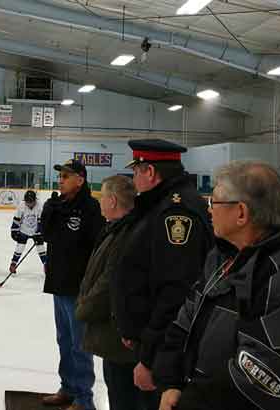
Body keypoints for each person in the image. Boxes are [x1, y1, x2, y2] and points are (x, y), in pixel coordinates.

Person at [155, 161, 280, 410]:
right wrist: (170, 382)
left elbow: (260, 381)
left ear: (241, 213)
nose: (209, 210)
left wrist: (188, 403)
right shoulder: (223, 258)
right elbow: (186, 319)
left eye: (213, 202)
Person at [115, 139, 213, 408]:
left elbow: (176, 291)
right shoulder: (159, 205)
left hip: (162, 352)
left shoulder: (176, 213)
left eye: (136, 171)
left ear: (149, 172)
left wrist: (149, 358)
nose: (134, 179)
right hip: (150, 342)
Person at [75, 176, 143, 410]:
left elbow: (109, 282)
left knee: (122, 395)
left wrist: (84, 307)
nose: (100, 201)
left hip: (119, 338)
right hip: (114, 337)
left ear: (113, 201)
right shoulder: (116, 228)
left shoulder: (126, 233)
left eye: (102, 196)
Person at [41, 159, 104, 410]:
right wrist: (51, 209)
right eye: (60, 176)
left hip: (78, 287)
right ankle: (67, 389)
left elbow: (97, 248)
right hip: (58, 283)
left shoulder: (91, 208)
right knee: (64, 340)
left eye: (66, 176)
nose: (61, 180)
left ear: (80, 179)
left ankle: (84, 399)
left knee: (80, 345)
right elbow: (46, 234)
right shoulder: (58, 204)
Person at [9, 190, 47, 274]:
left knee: (41, 248)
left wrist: (40, 231)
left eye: (31, 202)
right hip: (24, 230)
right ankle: (13, 263)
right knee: (20, 247)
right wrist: (14, 231)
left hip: (35, 231)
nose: (29, 204)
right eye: (27, 202)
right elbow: (16, 220)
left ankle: (46, 264)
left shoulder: (39, 205)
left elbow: (41, 220)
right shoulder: (21, 205)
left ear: (35, 200)